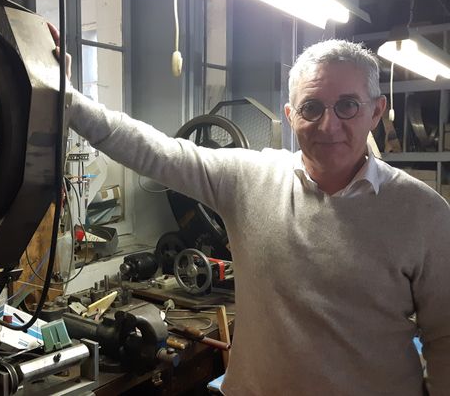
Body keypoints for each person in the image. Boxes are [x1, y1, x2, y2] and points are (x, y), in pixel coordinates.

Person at [51, 24, 450, 396]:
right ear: (292, 116)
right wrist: (67, 99)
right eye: (312, 107)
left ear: (376, 111)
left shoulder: (422, 212)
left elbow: (445, 337)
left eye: (347, 106)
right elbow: (157, 152)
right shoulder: (248, 179)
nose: (328, 125)